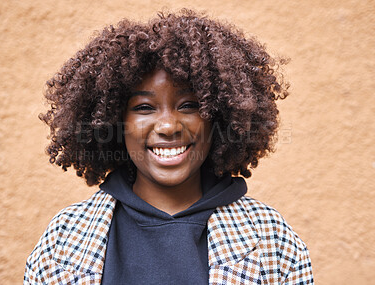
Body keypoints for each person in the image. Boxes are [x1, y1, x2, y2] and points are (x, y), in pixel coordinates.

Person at [24, 9, 314, 284]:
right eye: (144, 107)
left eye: (189, 105)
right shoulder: (63, 240)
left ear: (220, 117)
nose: (168, 126)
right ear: (113, 120)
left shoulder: (272, 240)